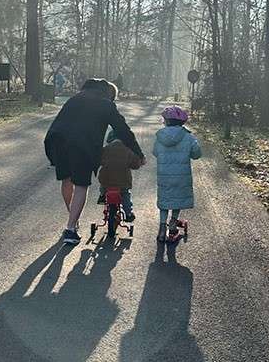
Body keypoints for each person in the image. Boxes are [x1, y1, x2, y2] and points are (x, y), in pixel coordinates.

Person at [45, 78, 145, 245]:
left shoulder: (75, 98)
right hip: (82, 145)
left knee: (66, 179)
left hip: (57, 141)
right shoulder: (106, 104)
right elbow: (122, 130)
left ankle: (73, 220)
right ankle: (70, 229)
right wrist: (139, 154)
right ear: (110, 95)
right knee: (81, 185)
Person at [153, 106, 201, 243]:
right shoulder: (188, 136)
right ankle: (173, 223)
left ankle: (162, 228)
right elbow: (197, 154)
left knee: (164, 200)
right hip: (181, 176)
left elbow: (155, 152)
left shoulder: (160, 136)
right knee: (176, 199)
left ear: (166, 121)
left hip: (164, 175)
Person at [97, 129, 142, 222]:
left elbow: (98, 160)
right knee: (125, 195)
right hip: (123, 182)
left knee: (103, 186)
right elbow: (135, 164)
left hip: (107, 180)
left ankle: (102, 195)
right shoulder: (128, 150)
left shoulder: (105, 149)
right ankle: (128, 213)